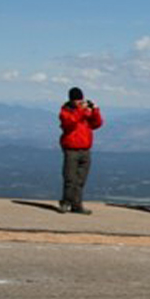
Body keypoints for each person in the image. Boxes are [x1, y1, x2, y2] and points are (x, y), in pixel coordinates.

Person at [57, 87, 103, 215]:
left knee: (80, 180)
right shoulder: (65, 111)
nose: (79, 102)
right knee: (70, 178)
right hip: (71, 149)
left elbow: (97, 124)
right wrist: (81, 111)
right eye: (77, 100)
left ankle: (77, 204)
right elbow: (69, 123)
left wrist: (95, 111)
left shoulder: (84, 112)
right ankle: (65, 202)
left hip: (85, 149)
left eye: (80, 100)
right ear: (71, 100)